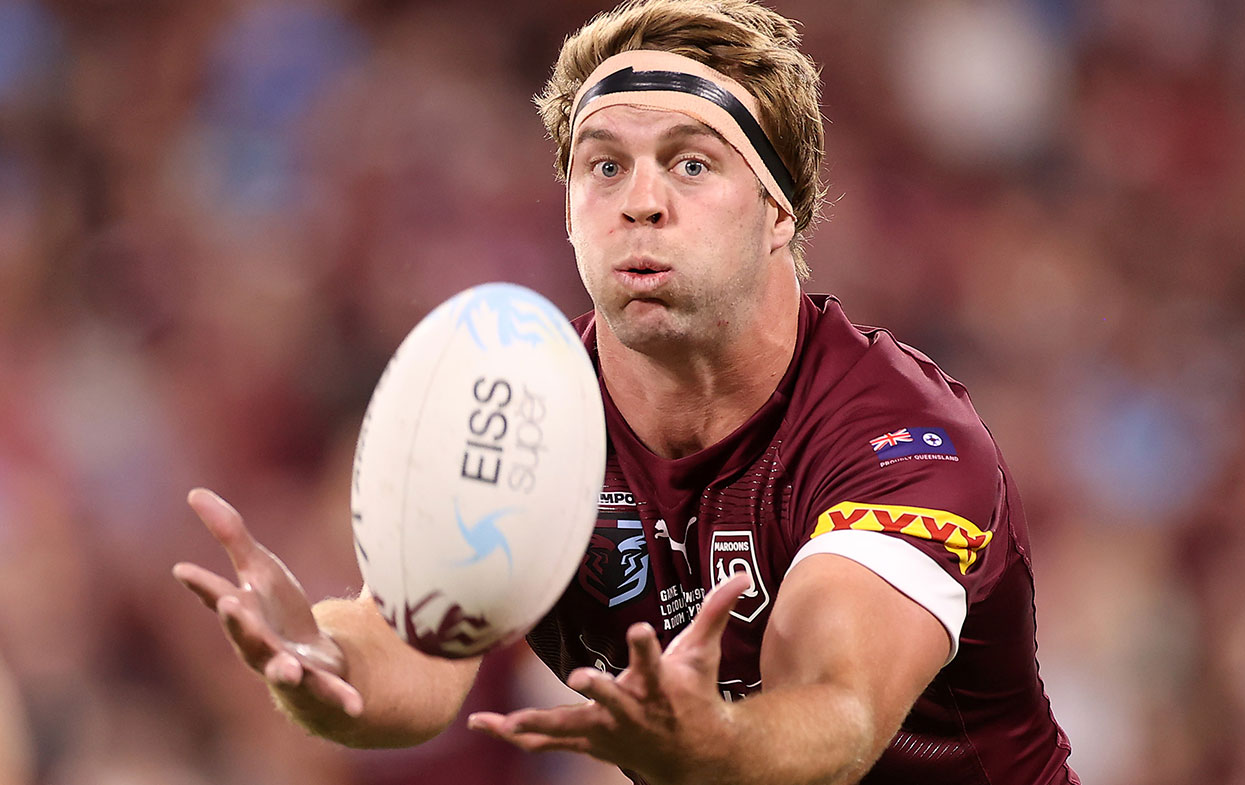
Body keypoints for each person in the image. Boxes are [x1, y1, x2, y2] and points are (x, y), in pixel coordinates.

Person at [174, 1, 1078, 782]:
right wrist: (324, 664)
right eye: (604, 166)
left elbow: (836, 711)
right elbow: (416, 653)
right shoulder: (526, 406)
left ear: (779, 209)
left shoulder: (902, 437)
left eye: (691, 164)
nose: (639, 202)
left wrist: (713, 741)